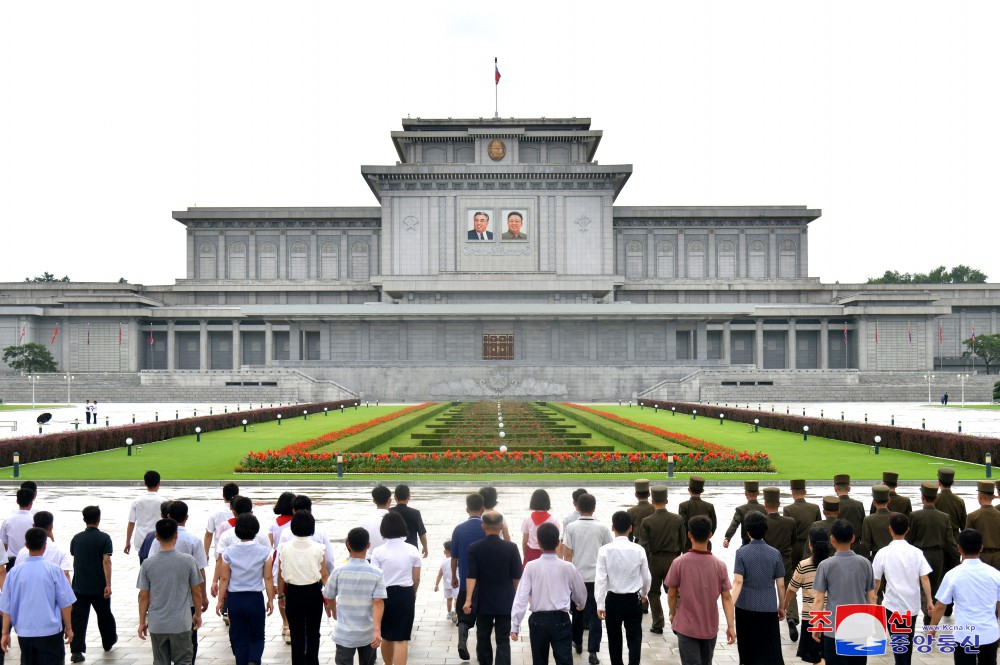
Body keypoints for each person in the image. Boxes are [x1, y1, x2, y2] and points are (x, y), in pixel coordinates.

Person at [510, 523, 586, 665]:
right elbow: (580, 591)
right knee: (564, 660)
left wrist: (515, 624)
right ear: (558, 542)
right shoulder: (568, 567)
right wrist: (580, 604)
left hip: (538, 620)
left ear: (539, 543)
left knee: (539, 661)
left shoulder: (531, 567)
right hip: (561, 620)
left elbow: (521, 597)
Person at [1, 526, 76, 664]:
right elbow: (66, 604)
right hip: (50, 631)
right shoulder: (54, 571)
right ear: (45, 545)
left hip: (24, 632)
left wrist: (5, 633)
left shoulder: (14, 573)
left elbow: (7, 607)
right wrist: (69, 628)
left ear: (26, 545)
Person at [666, 514, 735, 665]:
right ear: (710, 535)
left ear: (689, 534)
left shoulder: (679, 563)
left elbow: (672, 594)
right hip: (710, 627)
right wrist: (730, 625)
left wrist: (673, 613)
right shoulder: (719, 565)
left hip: (686, 626)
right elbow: (727, 598)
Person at [147, 502, 209, 661]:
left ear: (168, 516)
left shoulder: (157, 540)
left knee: (162, 655)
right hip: (186, 602)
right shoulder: (194, 540)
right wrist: (203, 597)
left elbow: (150, 568)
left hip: (162, 601)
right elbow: (200, 571)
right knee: (189, 642)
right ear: (186, 517)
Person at [930, 528, 1000, 664]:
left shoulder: (953, 575)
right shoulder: (995, 574)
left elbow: (940, 606)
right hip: (988, 634)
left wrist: (932, 629)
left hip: (964, 636)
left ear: (959, 549)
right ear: (981, 548)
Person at [811, 519, 876, 665]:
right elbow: (872, 597)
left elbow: (819, 600)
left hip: (834, 628)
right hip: (859, 627)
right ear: (853, 538)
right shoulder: (865, 563)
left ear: (832, 539)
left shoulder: (826, 565)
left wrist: (817, 624)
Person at [872, 512, 933, 665]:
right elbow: (924, 577)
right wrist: (930, 601)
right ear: (907, 530)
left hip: (893, 605)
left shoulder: (883, 553)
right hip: (912, 606)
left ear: (890, 529)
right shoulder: (917, 553)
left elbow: (876, 581)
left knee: (898, 642)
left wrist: (873, 599)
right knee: (907, 641)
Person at [463, 510, 522, 665]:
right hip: (505, 599)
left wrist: (468, 599)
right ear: (501, 526)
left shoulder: (474, 548)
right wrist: (519, 600)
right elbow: (517, 577)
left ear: (483, 526)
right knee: (503, 639)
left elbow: (471, 576)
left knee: (483, 637)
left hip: (483, 600)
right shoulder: (511, 548)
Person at [215, 513, 274, 665]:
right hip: (255, 598)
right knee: (257, 635)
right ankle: (254, 660)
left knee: (238, 636)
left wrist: (220, 600)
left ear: (237, 531)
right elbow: (268, 578)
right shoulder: (265, 552)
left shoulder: (228, 552)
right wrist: (271, 600)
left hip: (235, 599)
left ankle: (241, 662)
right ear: (256, 530)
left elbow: (224, 579)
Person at [323, 527, 387, 665]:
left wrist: (334, 611)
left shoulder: (338, 572)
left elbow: (329, 595)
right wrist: (377, 630)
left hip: (344, 633)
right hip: (368, 633)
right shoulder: (377, 573)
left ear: (348, 545)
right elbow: (378, 602)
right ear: (368, 545)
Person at [596, 511, 651, 665]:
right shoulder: (638, 549)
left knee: (614, 639)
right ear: (631, 528)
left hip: (613, 599)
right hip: (633, 599)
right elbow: (646, 577)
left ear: (612, 527)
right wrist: (644, 593)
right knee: (634, 638)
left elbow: (601, 579)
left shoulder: (604, 550)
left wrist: (600, 603)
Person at [562, 493, 612, 663]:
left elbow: (567, 555)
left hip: (577, 576)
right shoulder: (602, 528)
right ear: (594, 508)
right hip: (597, 578)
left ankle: (577, 641)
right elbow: (608, 552)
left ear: (578, 507)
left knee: (577, 611)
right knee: (595, 613)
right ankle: (593, 651)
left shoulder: (571, 528)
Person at [732, 511, 786, 665]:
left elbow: (737, 582)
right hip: (768, 606)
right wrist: (781, 606)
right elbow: (780, 583)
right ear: (765, 529)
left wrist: (730, 603)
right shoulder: (775, 554)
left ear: (747, 531)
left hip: (745, 607)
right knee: (769, 649)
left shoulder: (741, 553)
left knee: (748, 649)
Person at [277, 511, 328, 665]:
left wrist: (280, 595)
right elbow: (324, 575)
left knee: (297, 635)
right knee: (313, 634)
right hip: (313, 594)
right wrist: (330, 598)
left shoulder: (283, 548)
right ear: (311, 527)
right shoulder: (319, 548)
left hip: (293, 593)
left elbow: (280, 575)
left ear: (293, 527)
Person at [370, 512, 420, 665]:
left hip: (384, 595)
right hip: (406, 593)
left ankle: (387, 664)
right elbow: (416, 578)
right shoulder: (412, 550)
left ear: (383, 529)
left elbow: (374, 579)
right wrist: (413, 593)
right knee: (402, 638)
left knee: (387, 636)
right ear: (402, 527)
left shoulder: (378, 552)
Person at [69, 505, 117, 662]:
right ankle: (108, 641)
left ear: (84, 519)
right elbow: (106, 561)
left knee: (78, 618)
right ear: (99, 519)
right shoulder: (104, 538)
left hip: (80, 585)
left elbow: (75, 556)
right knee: (104, 615)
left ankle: (76, 650)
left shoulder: (76, 538)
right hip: (99, 586)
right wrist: (108, 584)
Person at [906, 481, 958, 622]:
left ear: (923, 498)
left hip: (919, 554)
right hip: (937, 556)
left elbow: (910, 539)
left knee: (919, 587)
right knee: (934, 587)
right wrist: (956, 560)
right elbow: (950, 542)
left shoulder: (914, 516)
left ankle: (926, 613)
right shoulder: (944, 517)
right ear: (935, 498)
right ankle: (930, 613)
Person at [637, 485, 685, 635]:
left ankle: (658, 622)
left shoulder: (647, 521)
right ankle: (677, 621)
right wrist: (677, 555)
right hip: (673, 558)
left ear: (652, 501)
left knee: (653, 592)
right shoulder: (677, 519)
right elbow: (682, 541)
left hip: (654, 559)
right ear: (667, 500)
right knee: (675, 591)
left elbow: (643, 545)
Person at [783, 527, 832, 665]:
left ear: (810, 544)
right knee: (828, 656)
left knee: (816, 658)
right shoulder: (832, 564)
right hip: (831, 617)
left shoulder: (803, 565)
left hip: (811, 617)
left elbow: (791, 589)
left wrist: (784, 605)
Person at [451, 493, 487, 661]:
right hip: (485, 583)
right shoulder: (488, 528)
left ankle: (462, 641)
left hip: (466, 582)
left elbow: (454, 557)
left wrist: (453, 576)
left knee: (463, 615)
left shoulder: (458, 529)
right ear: (483, 509)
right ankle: (481, 651)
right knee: (483, 618)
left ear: (467, 509)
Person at [783, 478, 820, 638]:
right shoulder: (815, 508)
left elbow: (789, 531)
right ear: (804, 492)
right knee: (811, 581)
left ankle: (792, 616)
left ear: (792, 493)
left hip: (795, 546)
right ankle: (814, 614)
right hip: (811, 546)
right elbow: (819, 527)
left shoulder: (788, 509)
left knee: (792, 581)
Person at [761, 487, 798, 641]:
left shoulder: (762, 522)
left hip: (766, 559)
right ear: (779, 503)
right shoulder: (789, 521)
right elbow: (793, 541)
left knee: (766, 588)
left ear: (765, 504)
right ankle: (791, 616)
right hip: (784, 559)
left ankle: (767, 619)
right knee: (789, 586)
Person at [270, 491, 297, 643]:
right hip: (293, 556)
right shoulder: (297, 522)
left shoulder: (274, 523)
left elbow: (271, 545)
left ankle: (285, 623)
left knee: (281, 591)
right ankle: (290, 625)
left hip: (278, 558)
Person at [13, 511, 71, 581]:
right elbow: (65, 574)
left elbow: (16, 575)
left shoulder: (23, 551)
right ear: (51, 527)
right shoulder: (60, 550)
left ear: (33, 526)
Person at [125, 470, 164, 559]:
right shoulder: (163, 502)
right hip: (159, 539)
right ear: (159, 483)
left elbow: (131, 523)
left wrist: (127, 541)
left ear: (145, 483)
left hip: (141, 540)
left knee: (144, 568)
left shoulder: (137, 501)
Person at [521, 489, 560, 568]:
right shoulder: (553, 520)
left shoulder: (527, 519)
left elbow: (525, 542)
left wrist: (526, 556)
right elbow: (557, 543)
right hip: (549, 554)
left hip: (532, 554)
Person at [967, 480, 1000, 571]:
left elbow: (967, 541)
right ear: (993, 497)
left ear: (980, 496)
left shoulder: (972, 516)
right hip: (998, 557)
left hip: (980, 558)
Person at [678, 475, 717, 551]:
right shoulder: (709, 506)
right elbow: (713, 526)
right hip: (705, 545)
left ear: (689, 490)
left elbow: (682, 527)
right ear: (702, 491)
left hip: (688, 545)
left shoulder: (683, 506)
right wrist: (705, 537)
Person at [723, 480, 764, 548]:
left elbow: (734, 525)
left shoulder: (741, 509)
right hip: (763, 544)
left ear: (745, 493)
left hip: (746, 544)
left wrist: (727, 538)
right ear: (758, 493)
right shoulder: (764, 509)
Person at [389, 485, 428, 558]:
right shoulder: (415, 513)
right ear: (409, 497)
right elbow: (422, 534)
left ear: (395, 497)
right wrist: (425, 547)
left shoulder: (389, 512)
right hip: (411, 550)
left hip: (393, 550)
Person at [0, 487, 35, 570]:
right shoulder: (34, 521)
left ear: (17, 501)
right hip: (30, 561)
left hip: (12, 564)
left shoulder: (7, 521)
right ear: (31, 503)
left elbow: (3, 546)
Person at [204, 482, 240, 558]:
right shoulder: (242, 510)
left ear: (223, 495)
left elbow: (208, 534)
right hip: (239, 553)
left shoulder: (215, 512)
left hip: (221, 553)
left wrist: (205, 553)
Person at [833, 474, 865, 554]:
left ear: (835, 488)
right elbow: (863, 526)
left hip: (838, 546)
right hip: (856, 546)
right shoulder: (859, 505)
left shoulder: (833, 505)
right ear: (849, 489)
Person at [861, 485, 894, 562]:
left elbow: (865, 544)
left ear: (874, 502)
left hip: (876, 558)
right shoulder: (897, 516)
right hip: (895, 557)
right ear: (889, 500)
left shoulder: (868, 520)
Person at [361, 485, 392, 557]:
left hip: (370, 559)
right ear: (389, 500)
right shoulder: (396, 521)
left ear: (374, 501)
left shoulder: (365, 520)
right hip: (389, 560)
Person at [433, 540, 458, 622]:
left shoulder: (443, 562)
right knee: (456, 598)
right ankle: (456, 611)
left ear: (445, 551)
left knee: (449, 599)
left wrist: (436, 585)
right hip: (456, 583)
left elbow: (440, 574)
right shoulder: (456, 560)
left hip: (446, 584)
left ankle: (449, 613)